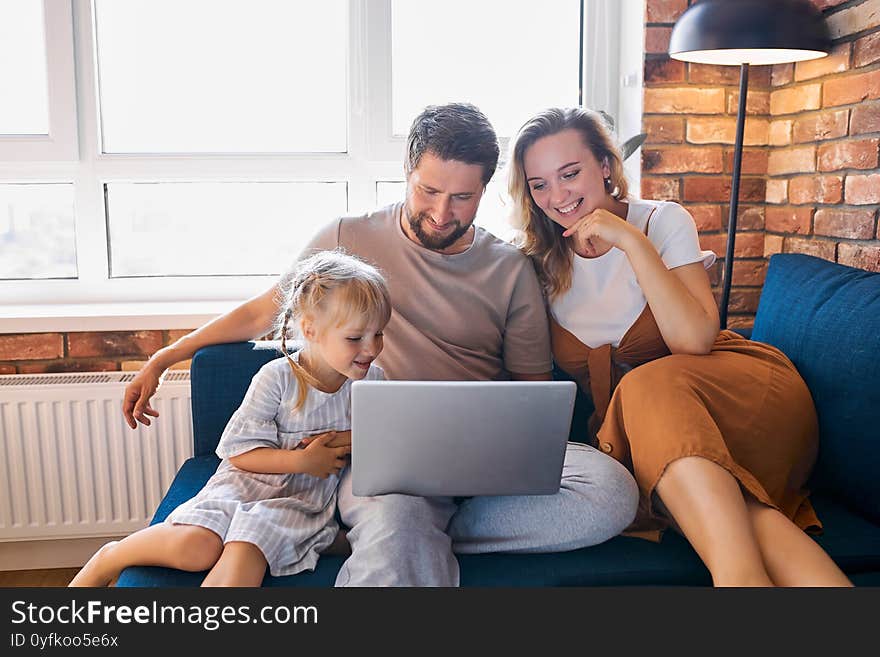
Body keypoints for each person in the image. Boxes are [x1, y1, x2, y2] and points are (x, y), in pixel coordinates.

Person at [121, 102, 639, 586]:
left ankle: (356, 534)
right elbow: (265, 310)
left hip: (476, 454)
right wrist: (167, 356)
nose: (441, 212)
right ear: (407, 172)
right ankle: (391, 530)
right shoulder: (348, 237)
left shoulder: (509, 269)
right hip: (383, 459)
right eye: (428, 191)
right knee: (396, 513)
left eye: (462, 197)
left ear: (486, 191)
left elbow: (532, 391)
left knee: (610, 494)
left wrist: (509, 451)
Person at [508, 106, 852, 587]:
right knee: (737, 509)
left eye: (571, 173)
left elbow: (693, 340)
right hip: (655, 438)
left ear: (605, 166)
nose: (558, 195)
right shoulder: (536, 263)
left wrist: (630, 240)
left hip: (734, 398)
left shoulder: (661, 220)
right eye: (539, 184)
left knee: (650, 383)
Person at [71, 251, 391, 587]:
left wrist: (343, 441)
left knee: (248, 547)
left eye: (379, 334)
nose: (371, 349)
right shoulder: (277, 378)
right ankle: (110, 556)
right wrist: (301, 460)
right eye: (355, 338)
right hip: (246, 483)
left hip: (298, 500)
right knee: (195, 548)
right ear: (311, 330)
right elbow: (239, 453)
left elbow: (379, 440)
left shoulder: (373, 383)